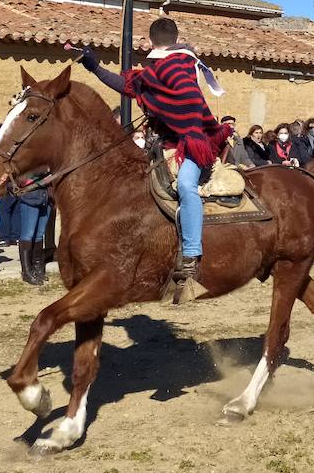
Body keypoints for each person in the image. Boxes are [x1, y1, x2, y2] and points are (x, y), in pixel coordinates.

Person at [75, 16, 232, 296]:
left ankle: (192, 256)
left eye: (146, 41)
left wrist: (96, 68)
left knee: (185, 186)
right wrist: (94, 67)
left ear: (151, 41)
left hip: (192, 143)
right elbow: (131, 84)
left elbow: (188, 104)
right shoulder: (160, 68)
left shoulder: (175, 66)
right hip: (164, 145)